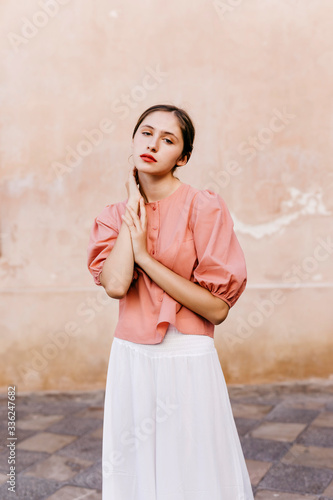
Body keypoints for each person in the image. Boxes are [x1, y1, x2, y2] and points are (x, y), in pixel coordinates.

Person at [87, 103, 254, 499]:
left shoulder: (204, 206)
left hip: (188, 355)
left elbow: (217, 308)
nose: (153, 144)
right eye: (146, 133)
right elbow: (114, 284)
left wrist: (145, 258)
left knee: (194, 470)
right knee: (136, 471)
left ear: (183, 156)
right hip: (132, 356)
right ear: (133, 139)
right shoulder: (114, 216)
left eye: (168, 139)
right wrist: (133, 205)